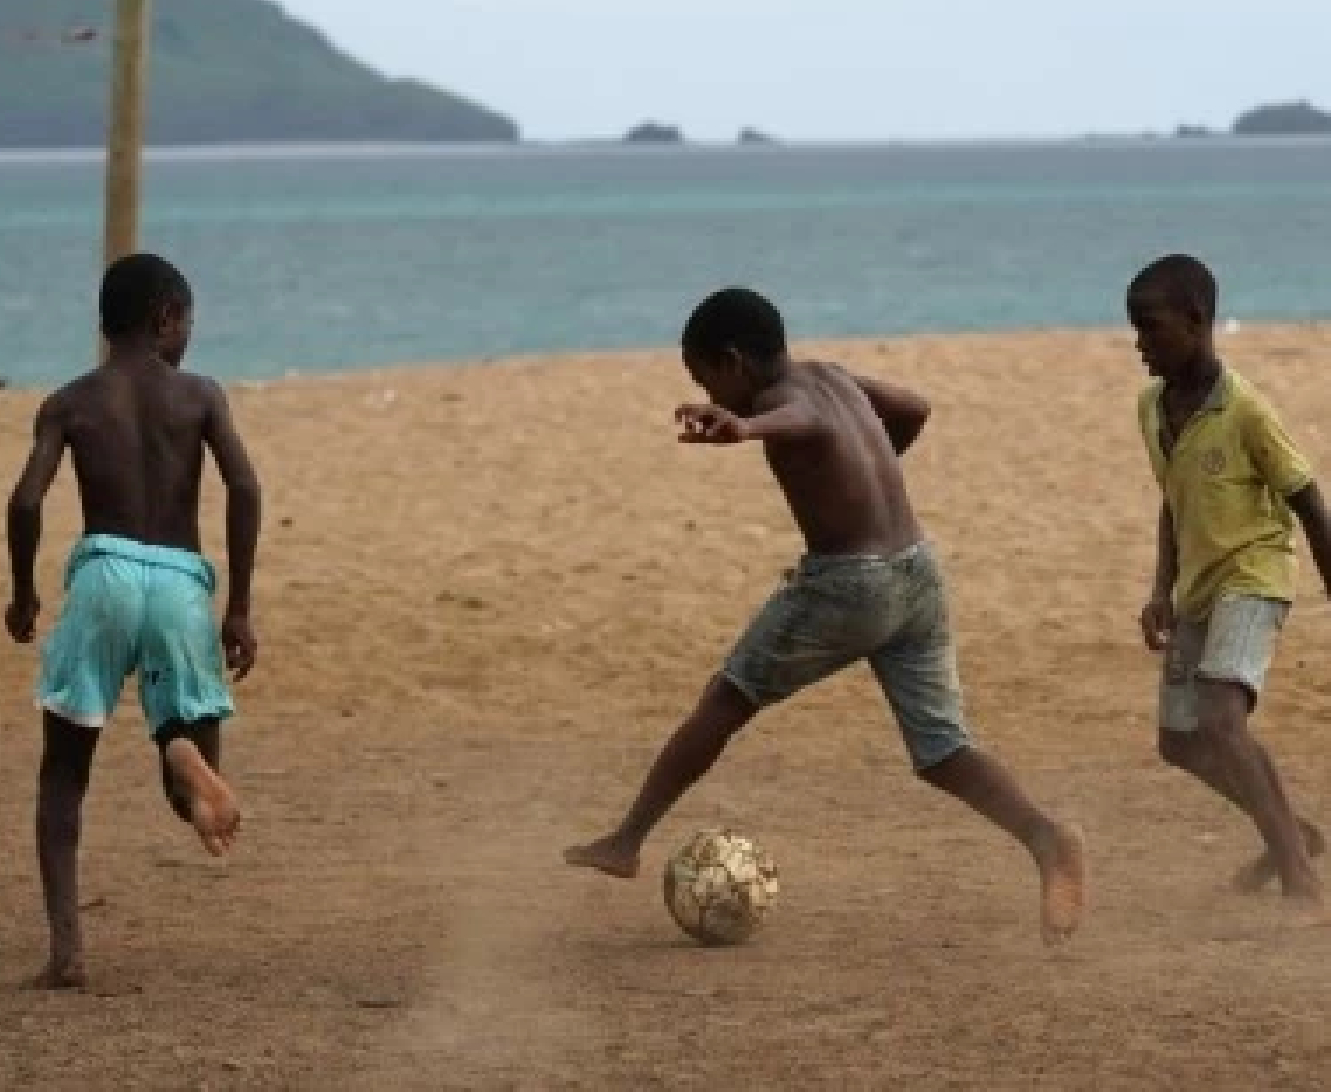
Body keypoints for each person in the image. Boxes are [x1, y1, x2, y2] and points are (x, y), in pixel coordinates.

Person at [563, 287, 1087, 943]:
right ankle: (1045, 836)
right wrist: (864, 471)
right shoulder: (833, 376)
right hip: (918, 571)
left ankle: (626, 839)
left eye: (706, 380)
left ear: (733, 362)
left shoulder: (785, 402)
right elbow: (914, 407)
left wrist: (745, 427)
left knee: (725, 700)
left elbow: (797, 418)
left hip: (850, 586)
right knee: (943, 749)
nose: (713, 394)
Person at [4, 252, 262, 989]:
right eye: (187, 322)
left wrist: (23, 593)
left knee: (64, 773)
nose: (189, 337)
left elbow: (26, 501)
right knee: (185, 789)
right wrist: (238, 602)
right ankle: (179, 750)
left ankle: (67, 952)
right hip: (180, 580)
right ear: (164, 318)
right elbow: (244, 486)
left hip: (104, 574)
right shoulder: (201, 396)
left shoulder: (70, 401)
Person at [1127, 254, 1331, 903]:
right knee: (1178, 742)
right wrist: (1162, 588)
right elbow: (1174, 498)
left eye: (1152, 329)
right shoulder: (1151, 407)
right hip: (1199, 589)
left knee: (1219, 718)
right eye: (1135, 330)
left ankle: (1299, 874)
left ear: (1198, 320)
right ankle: (1289, 832)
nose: (1140, 345)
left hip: (1255, 575)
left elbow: (1308, 499)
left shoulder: (1246, 411)